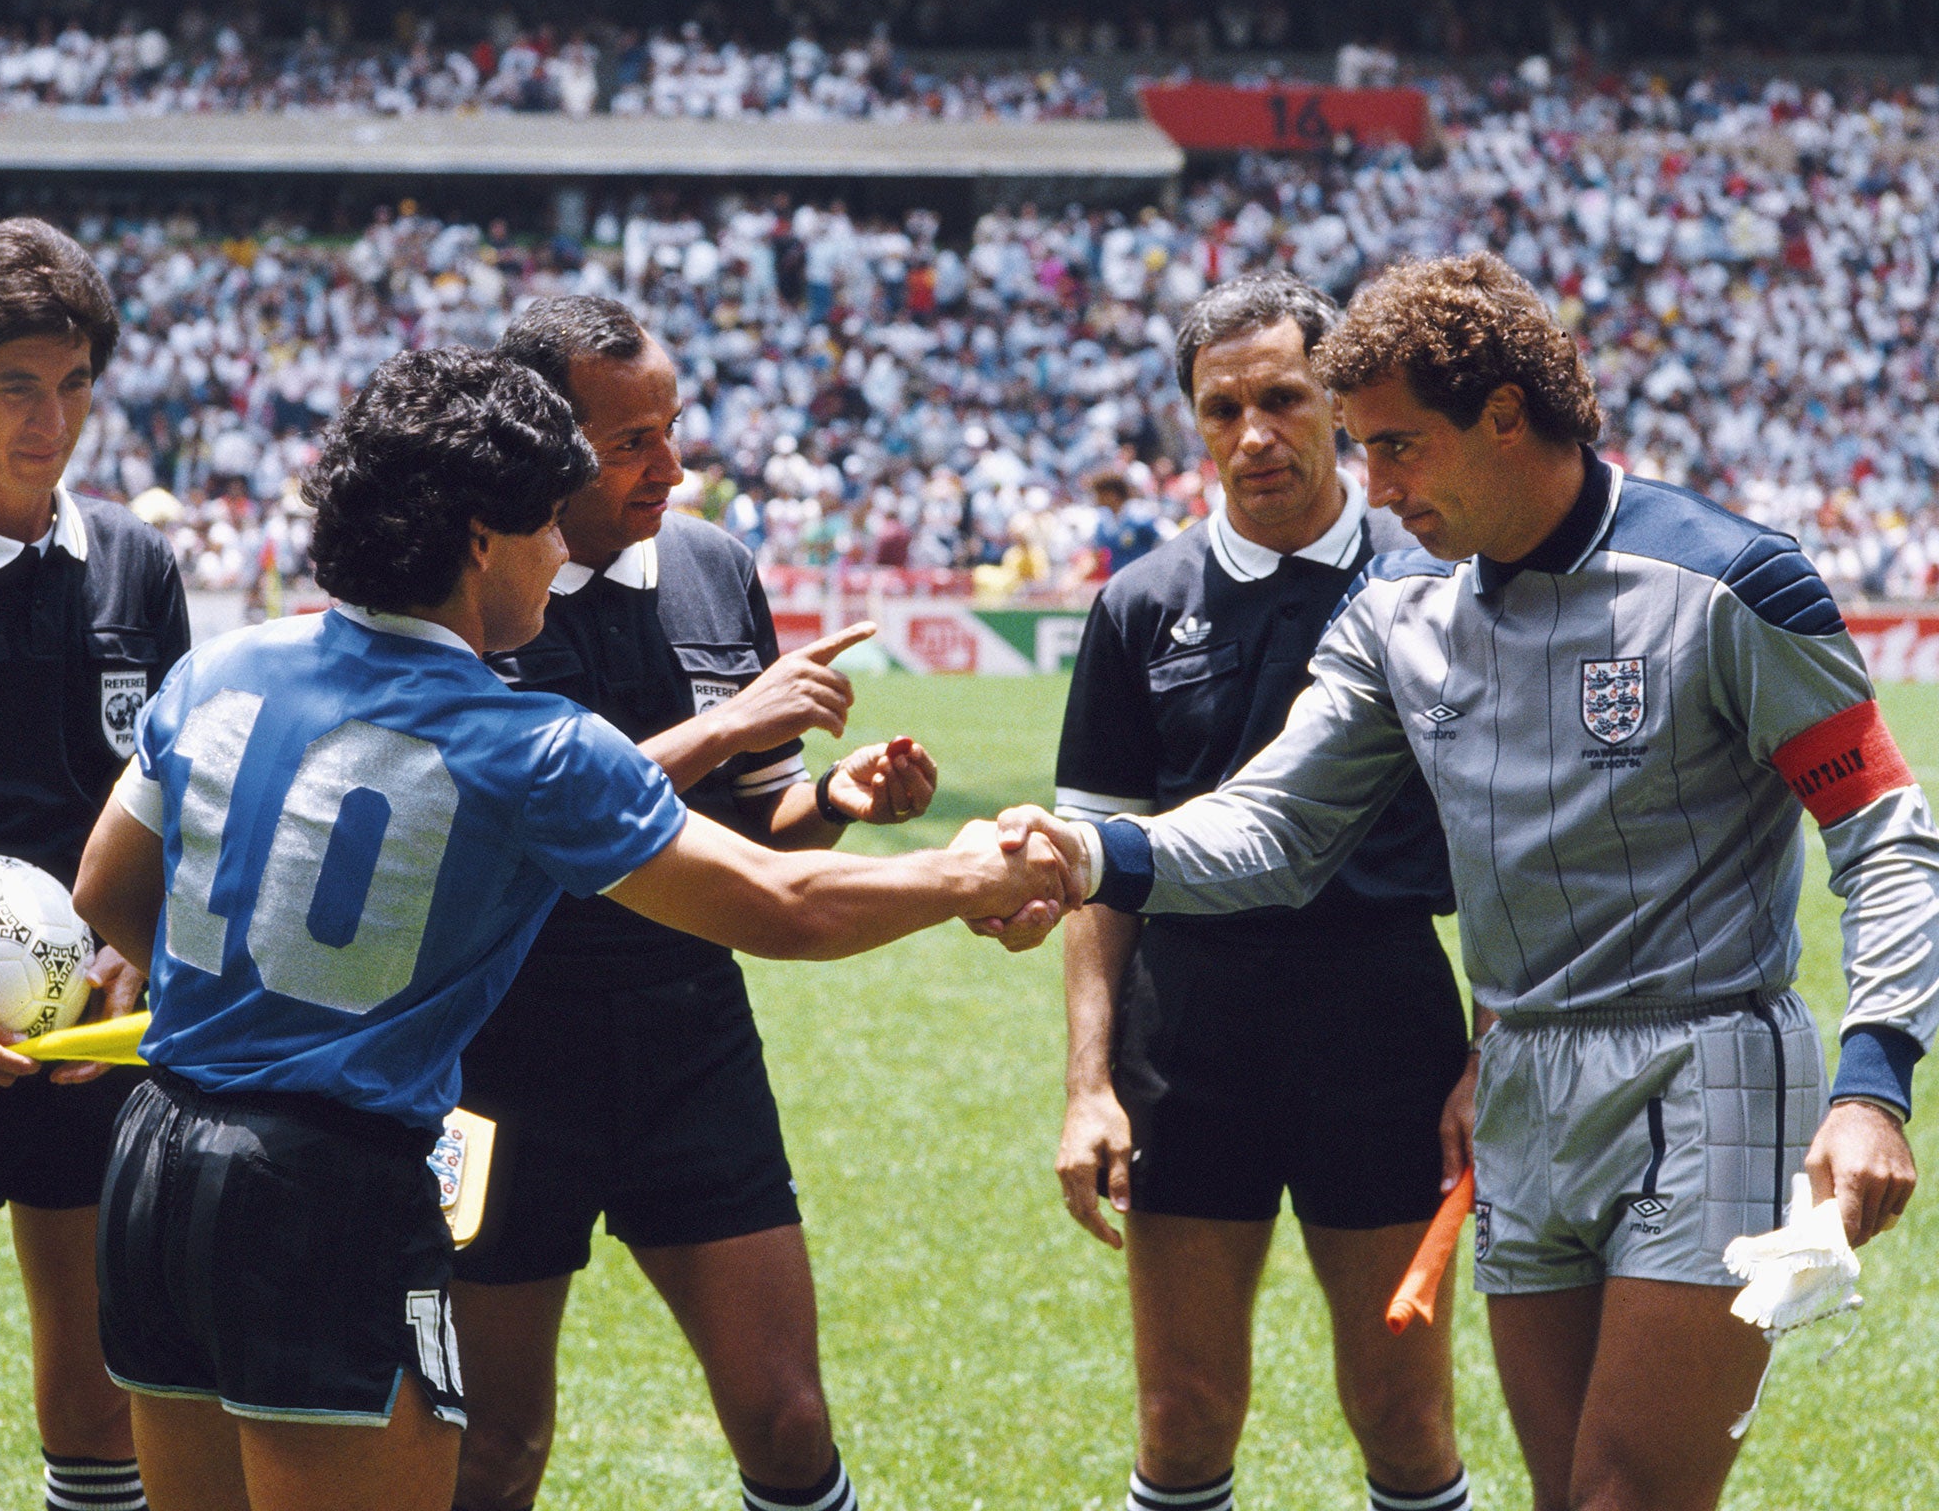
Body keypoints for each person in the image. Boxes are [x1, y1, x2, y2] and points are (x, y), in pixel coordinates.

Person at [988, 252, 1934, 1511]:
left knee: (1621, 1497)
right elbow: (1275, 824)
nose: (1371, 486)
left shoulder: (1730, 582)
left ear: (1502, 415)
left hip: (1705, 1067)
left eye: (1395, 448)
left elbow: (1883, 831)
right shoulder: (1399, 614)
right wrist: (1096, 851)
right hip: (1523, 1085)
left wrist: (1873, 1082)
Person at [70, 346, 1071, 1511]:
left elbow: (107, 893)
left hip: (156, 1159)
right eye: (547, 521)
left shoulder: (225, 667)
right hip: (330, 1189)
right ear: (482, 539)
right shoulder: (524, 742)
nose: (563, 549)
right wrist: (968, 871)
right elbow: (778, 907)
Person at [451, 296, 939, 1511]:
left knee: (787, 1419)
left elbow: (753, 822)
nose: (671, 465)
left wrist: (837, 795)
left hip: (687, 1033)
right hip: (494, 1056)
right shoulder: (471, 590)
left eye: (672, 431)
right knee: (494, 1443)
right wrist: (728, 720)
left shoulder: (714, 564)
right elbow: (523, 825)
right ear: (539, 446)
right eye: (631, 444)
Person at [1053, 272, 1473, 1511]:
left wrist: (1484, 1050)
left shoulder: (1436, 590)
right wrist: (1086, 1083)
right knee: (1181, 1418)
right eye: (1219, 407)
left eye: (1282, 398)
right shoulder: (1138, 606)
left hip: (1385, 1021)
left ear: (1336, 402)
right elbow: (1099, 864)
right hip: (1189, 1031)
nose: (1252, 434)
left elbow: (1515, 852)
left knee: (1404, 1414)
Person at [0, 218, 187, 1511]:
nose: (52, 419)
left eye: (74, 385)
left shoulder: (136, 563)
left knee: (102, 1390)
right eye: (17, 384)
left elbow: (181, 805)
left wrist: (145, 949)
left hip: (95, 1050)